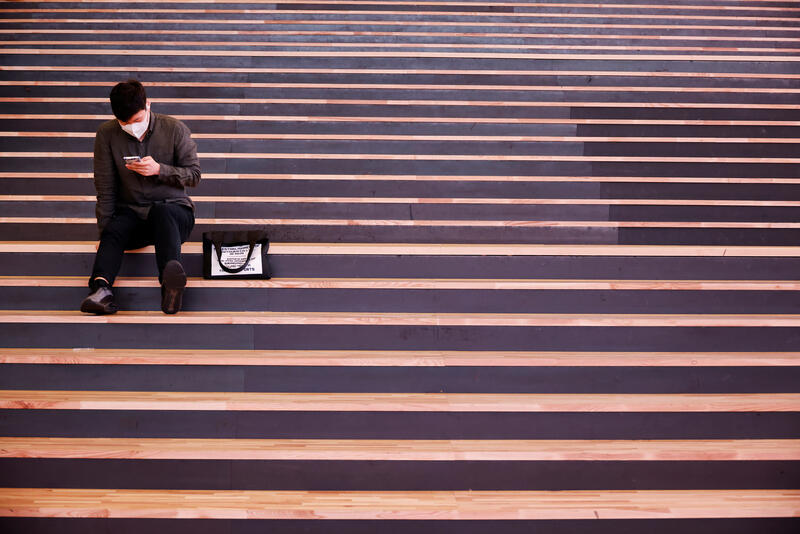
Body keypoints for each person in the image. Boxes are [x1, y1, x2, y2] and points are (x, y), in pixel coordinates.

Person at [80, 79, 201, 315]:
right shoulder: (107, 135)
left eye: (136, 121)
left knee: (162, 212)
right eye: (124, 123)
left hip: (174, 216)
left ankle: (170, 286)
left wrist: (160, 170)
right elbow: (105, 188)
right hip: (133, 214)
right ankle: (100, 290)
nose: (131, 127)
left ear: (148, 105)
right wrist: (106, 236)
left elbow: (194, 175)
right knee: (116, 226)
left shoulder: (174, 129)